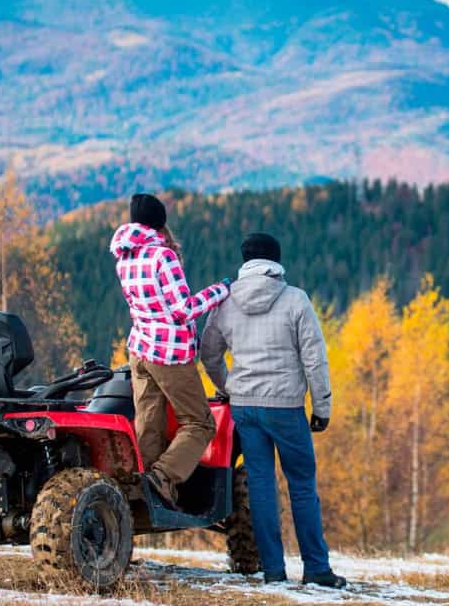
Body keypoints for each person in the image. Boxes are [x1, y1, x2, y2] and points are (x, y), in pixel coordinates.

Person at [200, 232, 346, 589]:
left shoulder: (226, 302)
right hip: (286, 407)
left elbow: (209, 354)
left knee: (262, 487)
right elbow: (314, 357)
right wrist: (322, 406)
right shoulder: (295, 299)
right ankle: (316, 568)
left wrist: (228, 387)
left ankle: (273, 571)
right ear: (276, 262)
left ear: (245, 262)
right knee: (301, 485)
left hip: (246, 408)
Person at [110, 193, 231, 508]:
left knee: (149, 422)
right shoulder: (163, 257)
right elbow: (183, 310)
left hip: (140, 349)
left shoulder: (124, 256)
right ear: (161, 222)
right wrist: (221, 290)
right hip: (169, 353)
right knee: (200, 422)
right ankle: (163, 477)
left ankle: (143, 490)